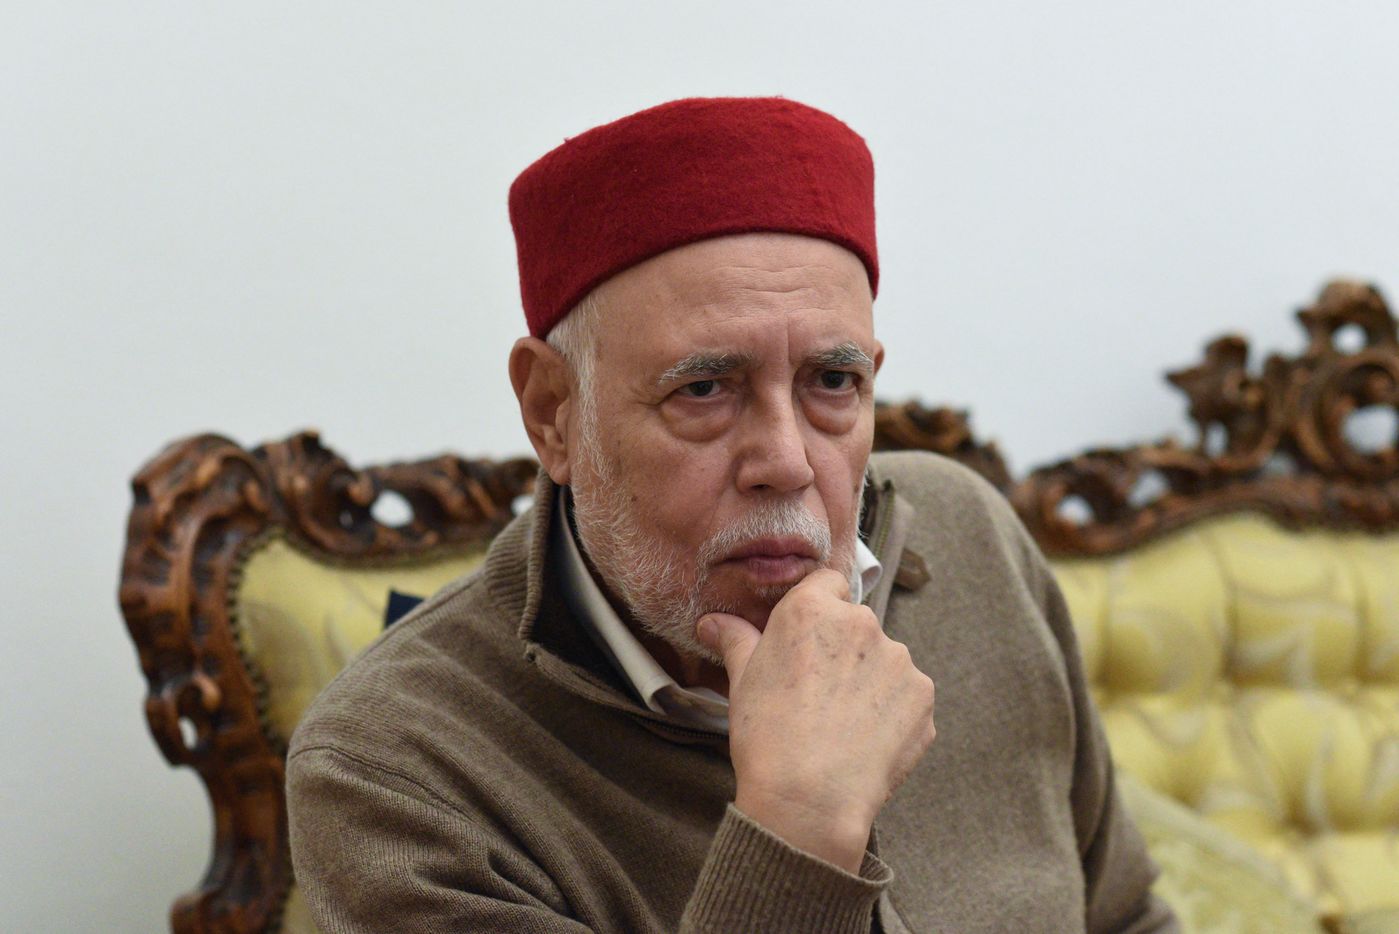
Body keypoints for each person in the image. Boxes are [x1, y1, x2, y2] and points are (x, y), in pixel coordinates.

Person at [287, 96, 1175, 933]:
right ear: (553, 413)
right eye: (704, 390)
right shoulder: (392, 773)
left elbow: (1126, 918)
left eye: (832, 382)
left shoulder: (967, 534)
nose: (786, 462)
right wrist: (797, 830)